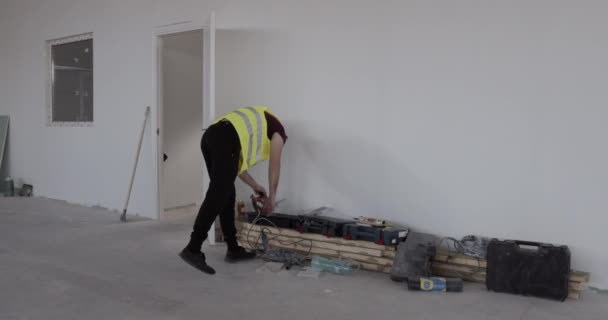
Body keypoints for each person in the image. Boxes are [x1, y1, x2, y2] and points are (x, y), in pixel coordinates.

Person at [179, 106, 287, 275]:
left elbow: (237, 169)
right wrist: (272, 199)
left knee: (226, 193)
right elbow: (275, 166)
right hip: (222, 138)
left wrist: (256, 186)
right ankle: (193, 248)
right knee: (219, 192)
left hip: (209, 137)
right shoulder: (279, 132)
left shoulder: (250, 129)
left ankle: (233, 248)